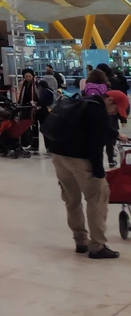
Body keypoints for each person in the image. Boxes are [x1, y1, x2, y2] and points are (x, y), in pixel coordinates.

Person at [47, 70, 125, 259]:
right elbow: (95, 146)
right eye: (116, 110)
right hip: (79, 159)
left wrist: (116, 135)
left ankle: (80, 241)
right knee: (97, 198)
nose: (115, 114)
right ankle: (97, 246)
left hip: (59, 156)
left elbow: (94, 127)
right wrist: (99, 172)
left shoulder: (85, 101)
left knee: (72, 200)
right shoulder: (99, 111)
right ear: (110, 101)